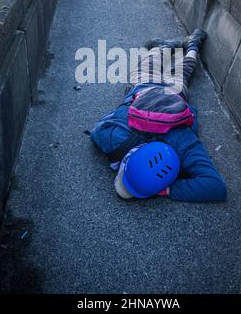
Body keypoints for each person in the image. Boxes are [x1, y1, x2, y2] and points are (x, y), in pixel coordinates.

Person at [90, 29, 227, 202]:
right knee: (152, 63)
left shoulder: (182, 142)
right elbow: (101, 127)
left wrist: (166, 189)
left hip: (174, 94)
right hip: (144, 86)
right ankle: (170, 47)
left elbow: (215, 187)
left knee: (182, 71)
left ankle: (191, 46)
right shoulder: (113, 138)